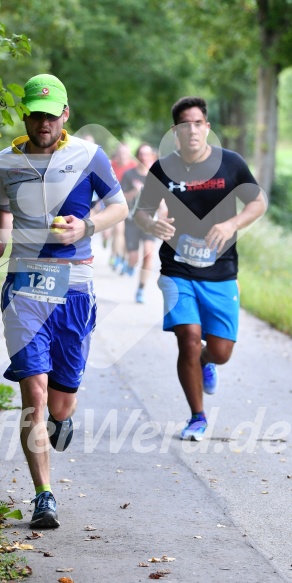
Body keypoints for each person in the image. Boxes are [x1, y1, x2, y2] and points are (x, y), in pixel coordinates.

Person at [0, 74, 127, 527]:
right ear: (26, 115)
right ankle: (44, 496)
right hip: (24, 288)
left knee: (61, 403)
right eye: (36, 113)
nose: (44, 121)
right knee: (35, 395)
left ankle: (63, 419)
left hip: (75, 286)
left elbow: (120, 206)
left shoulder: (89, 156)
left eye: (51, 113)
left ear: (65, 115)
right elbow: (3, 207)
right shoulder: (4, 161)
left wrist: (86, 227)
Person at [134, 96, 266, 441]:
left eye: (198, 123)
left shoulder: (230, 164)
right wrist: (154, 225)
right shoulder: (163, 168)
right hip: (177, 269)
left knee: (220, 351)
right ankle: (197, 416)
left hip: (220, 270)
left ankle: (207, 362)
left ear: (206, 127)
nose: (192, 130)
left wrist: (232, 224)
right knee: (189, 338)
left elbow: (258, 201)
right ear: (175, 131)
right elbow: (141, 212)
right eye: (184, 125)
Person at [120, 143, 156, 303]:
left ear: (152, 157)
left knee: (149, 254)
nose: (143, 157)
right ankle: (129, 263)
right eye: (141, 154)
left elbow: (163, 198)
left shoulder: (156, 176)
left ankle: (141, 289)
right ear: (137, 156)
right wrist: (136, 190)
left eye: (147, 154)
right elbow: (122, 198)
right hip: (132, 220)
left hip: (149, 221)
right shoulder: (129, 175)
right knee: (133, 257)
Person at [108, 143, 137, 269]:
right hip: (113, 202)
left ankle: (123, 256)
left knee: (126, 233)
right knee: (118, 230)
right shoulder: (111, 165)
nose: (122, 155)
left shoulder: (133, 167)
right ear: (117, 154)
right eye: (120, 153)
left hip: (130, 203)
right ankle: (115, 255)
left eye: (125, 153)